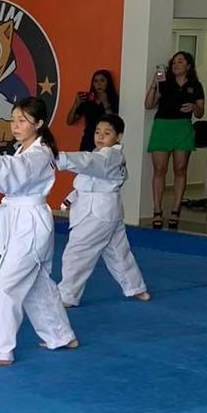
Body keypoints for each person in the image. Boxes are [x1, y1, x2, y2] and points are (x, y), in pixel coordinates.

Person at [0, 97, 77, 367]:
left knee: (5, 285)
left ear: (40, 124)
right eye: (13, 119)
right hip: (23, 222)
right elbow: (8, 164)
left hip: (29, 225)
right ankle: (61, 335)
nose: (15, 125)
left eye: (22, 120)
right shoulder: (26, 149)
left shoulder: (38, 154)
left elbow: (11, 169)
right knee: (36, 284)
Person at [57, 115, 150, 307]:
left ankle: (67, 296)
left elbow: (89, 163)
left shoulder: (111, 156)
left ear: (119, 136)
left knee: (77, 252)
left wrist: (61, 158)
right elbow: (86, 181)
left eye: (107, 133)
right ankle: (135, 287)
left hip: (98, 212)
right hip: (105, 210)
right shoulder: (99, 154)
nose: (100, 136)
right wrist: (70, 198)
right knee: (117, 251)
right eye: (98, 132)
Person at [145, 51, 205, 229]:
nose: (176, 65)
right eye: (174, 62)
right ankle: (157, 210)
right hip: (163, 126)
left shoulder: (196, 85)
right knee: (159, 169)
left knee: (180, 169)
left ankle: (175, 210)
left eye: (180, 62)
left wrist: (194, 106)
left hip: (182, 127)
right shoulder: (164, 83)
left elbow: (200, 112)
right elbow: (148, 105)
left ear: (188, 66)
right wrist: (154, 84)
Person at [66, 69, 118, 152]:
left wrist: (105, 103)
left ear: (108, 83)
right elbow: (70, 121)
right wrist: (76, 105)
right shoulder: (88, 100)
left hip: (106, 140)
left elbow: (114, 123)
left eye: (102, 81)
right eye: (96, 81)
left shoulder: (114, 99)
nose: (99, 84)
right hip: (88, 139)